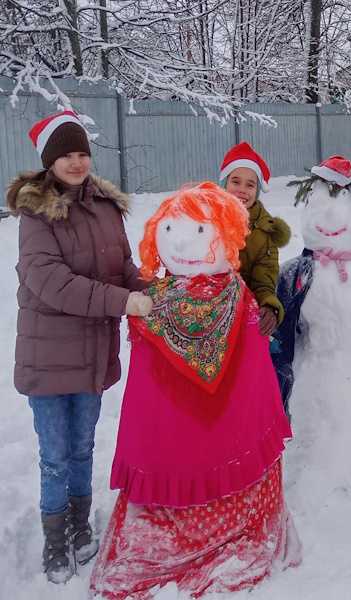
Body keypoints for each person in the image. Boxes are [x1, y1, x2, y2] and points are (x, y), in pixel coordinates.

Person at [90, 183, 300, 599]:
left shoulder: (231, 299)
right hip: (176, 435)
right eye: (170, 230)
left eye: (200, 232)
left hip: (220, 428)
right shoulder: (156, 302)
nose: (183, 241)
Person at [7, 110, 152, 584]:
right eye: (66, 154)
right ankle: (55, 535)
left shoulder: (107, 208)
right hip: (49, 355)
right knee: (55, 452)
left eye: (82, 153)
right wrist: (123, 301)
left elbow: (123, 268)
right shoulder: (36, 214)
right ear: (50, 161)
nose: (76, 162)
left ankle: (80, 521)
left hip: (91, 350)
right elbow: (51, 282)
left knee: (84, 444)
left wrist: (154, 290)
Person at [219, 142, 290, 336]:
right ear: (224, 183)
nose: (242, 189)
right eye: (235, 181)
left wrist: (269, 306)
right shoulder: (205, 219)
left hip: (243, 317)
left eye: (250, 185)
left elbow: (264, 282)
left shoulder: (265, 233)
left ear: (257, 190)